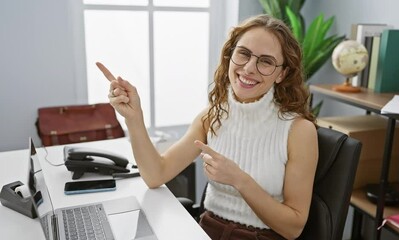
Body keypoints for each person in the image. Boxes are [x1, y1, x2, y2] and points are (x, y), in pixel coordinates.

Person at [97, 14, 318, 240]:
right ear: (230, 56)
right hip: (204, 231)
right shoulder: (212, 116)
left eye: (266, 61)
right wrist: (134, 119)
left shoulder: (299, 130)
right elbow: (156, 174)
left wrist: (239, 179)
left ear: (281, 74)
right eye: (243, 53)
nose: (250, 68)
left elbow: (293, 228)